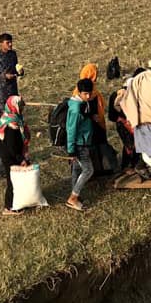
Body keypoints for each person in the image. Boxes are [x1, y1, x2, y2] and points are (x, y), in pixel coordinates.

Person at [121, 57, 151, 179]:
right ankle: (143, 169)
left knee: (150, 148)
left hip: (146, 120)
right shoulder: (146, 80)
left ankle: (143, 170)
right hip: (148, 120)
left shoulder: (148, 79)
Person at [0, 95, 30, 216]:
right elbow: (11, 147)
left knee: (17, 180)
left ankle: (20, 202)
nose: (21, 109)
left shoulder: (12, 118)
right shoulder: (11, 125)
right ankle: (9, 207)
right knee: (13, 182)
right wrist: (21, 159)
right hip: (10, 157)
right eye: (19, 106)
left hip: (13, 155)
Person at [109, 67, 146, 175]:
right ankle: (126, 166)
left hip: (133, 123)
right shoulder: (118, 95)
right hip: (124, 125)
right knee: (129, 146)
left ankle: (134, 165)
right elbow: (112, 115)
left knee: (136, 145)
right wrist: (124, 121)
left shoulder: (138, 93)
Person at [67, 78, 95, 211]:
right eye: (85, 94)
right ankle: (73, 197)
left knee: (77, 170)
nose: (88, 96)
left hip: (83, 142)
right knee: (88, 170)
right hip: (79, 144)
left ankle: (75, 196)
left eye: (90, 93)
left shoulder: (82, 104)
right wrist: (71, 150)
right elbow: (71, 130)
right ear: (79, 92)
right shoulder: (76, 109)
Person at [0, 33, 23, 111]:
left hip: (13, 88)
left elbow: (15, 68)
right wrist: (4, 76)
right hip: (1, 91)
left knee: (14, 110)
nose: (10, 44)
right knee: (2, 112)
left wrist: (20, 72)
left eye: (11, 42)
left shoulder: (13, 54)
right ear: (1, 43)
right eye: (7, 43)